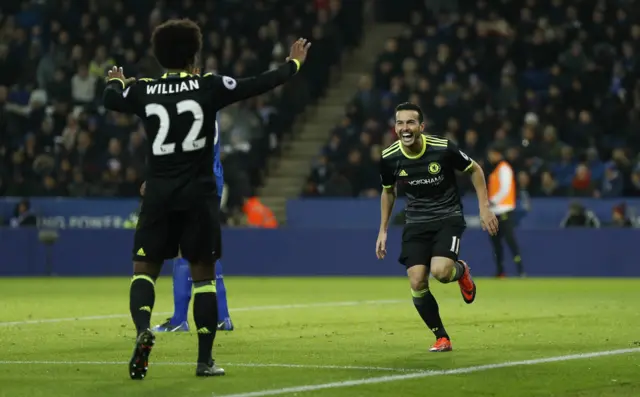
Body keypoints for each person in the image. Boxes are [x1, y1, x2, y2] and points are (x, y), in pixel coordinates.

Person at [102, 18, 310, 379]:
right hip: (199, 194)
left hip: (158, 193)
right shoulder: (208, 85)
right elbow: (258, 84)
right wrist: (292, 65)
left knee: (144, 270)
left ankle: (142, 332)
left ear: (159, 56)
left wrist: (117, 81)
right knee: (204, 278)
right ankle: (204, 361)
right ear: (193, 57)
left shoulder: (144, 90)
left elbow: (110, 99)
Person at [376, 102, 498, 353]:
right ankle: (441, 337)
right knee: (417, 280)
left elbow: (474, 169)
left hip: (447, 216)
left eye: (410, 122)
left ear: (421, 127)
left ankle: (461, 271)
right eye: (400, 123)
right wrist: (383, 229)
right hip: (416, 221)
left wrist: (484, 207)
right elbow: (388, 191)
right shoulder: (389, 157)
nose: (405, 128)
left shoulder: (441, 148)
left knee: (441, 272)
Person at [151, 117, 234, 333]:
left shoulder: (192, 108)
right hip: (213, 180)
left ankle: (179, 319)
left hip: (192, 182)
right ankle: (221, 317)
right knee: (208, 251)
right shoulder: (210, 104)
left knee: (182, 247)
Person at [486, 145, 525, 277]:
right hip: (495, 212)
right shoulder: (496, 170)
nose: (490, 157)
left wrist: (492, 201)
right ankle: (500, 271)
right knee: (496, 244)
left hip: (505, 211)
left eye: (492, 154)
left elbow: (505, 189)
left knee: (510, 241)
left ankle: (520, 270)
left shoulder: (504, 168)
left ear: (498, 154)